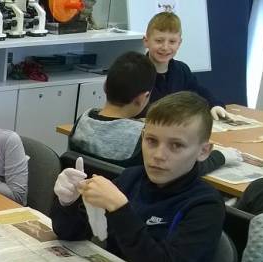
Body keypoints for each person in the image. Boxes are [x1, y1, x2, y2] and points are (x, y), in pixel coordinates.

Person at [53, 91, 225, 262]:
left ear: (203, 151)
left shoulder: (206, 205)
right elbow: (71, 234)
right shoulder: (131, 178)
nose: (158, 155)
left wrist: (120, 209)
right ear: (142, 138)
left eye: (176, 145)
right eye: (151, 141)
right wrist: (68, 203)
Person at [70, 51, 241, 175]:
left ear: (105, 86)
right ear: (143, 97)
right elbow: (181, 168)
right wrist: (221, 157)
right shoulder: (144, 136)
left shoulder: (83, 120)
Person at [139, 11, 230, 121]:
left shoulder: (182, 70)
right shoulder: (136, 71)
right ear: (146, 41)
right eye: (159, 41)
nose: (165, 47)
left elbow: (198, 92)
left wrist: (215, 105)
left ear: (179, 43)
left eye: (172, 42)